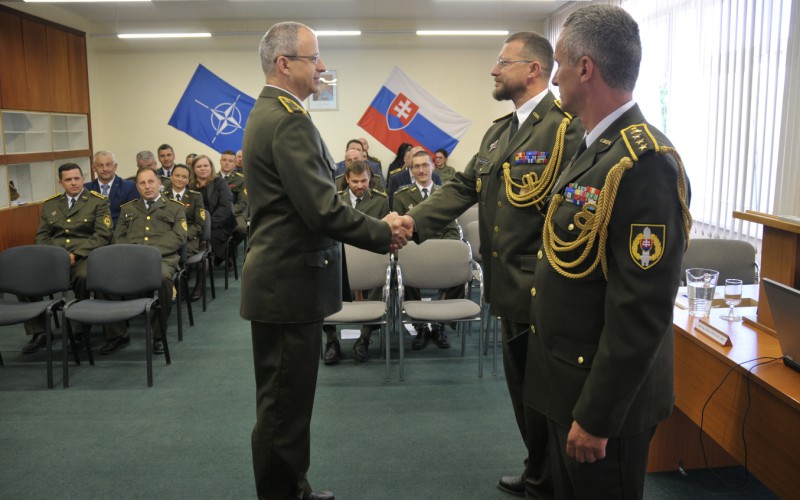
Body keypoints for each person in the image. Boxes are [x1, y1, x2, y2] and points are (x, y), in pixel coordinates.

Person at [392, 31, 584, 498]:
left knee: (548, 396)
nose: (494, 71)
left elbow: (576, 216)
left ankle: (554, 479)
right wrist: (408, 222)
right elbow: (461, 188)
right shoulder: (500, 131)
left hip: (542, 287)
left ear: (533, 69)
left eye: (503, 62)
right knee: (523, 394)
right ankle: (538, 470)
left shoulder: (566, 129)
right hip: (506, 289)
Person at [526, 6, 692, 499]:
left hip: (602, 404)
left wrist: (596, 416)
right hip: (567, 381)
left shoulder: (644, 163)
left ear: (585, 68)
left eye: (558, 64)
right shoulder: (595, 145)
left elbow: (641, 308)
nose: (553, 77)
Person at [241, 21, 404, 500]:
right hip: (288, 283)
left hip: (283, 280)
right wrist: (384, 231)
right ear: (284, 63)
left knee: (288, 402)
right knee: (282, 406)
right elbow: (322, 209)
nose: (323, 67)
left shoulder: (272, 111)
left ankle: (293, 486)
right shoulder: (288, 118)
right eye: (315, 58)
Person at [20, 163, 112, 353]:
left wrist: (75, 254)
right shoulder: (51, 204)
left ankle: (80, 331)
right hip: (55, 259)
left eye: (77, 178)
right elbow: (42, 236)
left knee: (84, 277)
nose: (73, 183)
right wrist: (57, 256)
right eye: (68, 180)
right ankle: (40, 331)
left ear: (83, 178)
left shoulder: (98, 202)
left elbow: (102, 234)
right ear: (61, 182)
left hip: (84, 257)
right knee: (24, 279)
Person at [113, 168, 188, 355]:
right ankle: (117, 334)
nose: (147, 186)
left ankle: (158, 335)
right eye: (142, 183)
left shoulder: (176, 207)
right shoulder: (127, 209)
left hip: (162, 259)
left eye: (151, 182)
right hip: (130, 258)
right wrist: (133, 254)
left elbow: (179, 236)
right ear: (137, 187)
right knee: (104, 278)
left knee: (162, 278)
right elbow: (118, 237)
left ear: (159, 183)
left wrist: (150, 253)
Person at [322, 159, 390, 364]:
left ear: (371, 179)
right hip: (340, 257)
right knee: (321, 280)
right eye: (355, 182)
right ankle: (331, 340)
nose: (360, 186)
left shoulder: (380, 201)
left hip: (371, 257)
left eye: (364, 181)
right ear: (346, 180)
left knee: (383, 276)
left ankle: (365, 338)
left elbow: (385, 234)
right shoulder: (336, 200)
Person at [394, 150, 463, 350]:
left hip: (440, 253)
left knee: (462, 269)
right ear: (411, 170)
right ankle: (421, 325)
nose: (421, 170)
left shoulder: (445, 194)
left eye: (425, 165)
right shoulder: (402, 196)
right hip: (415, 253)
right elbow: (401, 232)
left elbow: (452, 231)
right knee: (403, 268)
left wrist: (440, 251)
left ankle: (440, 324)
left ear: (433, 167)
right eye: (417, 167)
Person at [165, 163, 207, 301]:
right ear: (171, 177)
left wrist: (182, 235)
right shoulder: (163, 196)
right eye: (177, 175)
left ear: (188, 180)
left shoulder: (195, 197)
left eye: (184, 177)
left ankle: (179, 285)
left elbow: (199, 223)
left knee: (178, 252)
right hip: (168, 236)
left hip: (189, 238)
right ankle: (171, 287)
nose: (180, 179)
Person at [190, 154, 235, 263]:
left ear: (211, 167)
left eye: (206, 165)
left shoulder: (219, 182)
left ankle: (216, 259)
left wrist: (209, 224)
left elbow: (225, 206)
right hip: (197, 224)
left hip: (219, 223)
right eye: (199, 166)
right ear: (194, 169)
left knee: (209, 240)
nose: (203, 169)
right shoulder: (190, 186)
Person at [84, 150, 138, 226]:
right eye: (100, 165)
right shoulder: (86, 189)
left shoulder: (129, 187)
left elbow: (132, 218)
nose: (105, 169)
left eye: (108, 165)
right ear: (94, 168)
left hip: (120, 233)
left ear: (115, 166)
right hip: (94, 233)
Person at [219, 149, 249, 253]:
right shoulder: (213, 178)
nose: (227, 163)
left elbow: (242, 203)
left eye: (230, 161)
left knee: (242, 229)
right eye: (224, 160)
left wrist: (229, 213)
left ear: (235, 162)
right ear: (220, 161)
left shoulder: (241, 179)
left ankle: (228, 252)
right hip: (216, 213)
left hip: (236, 213)